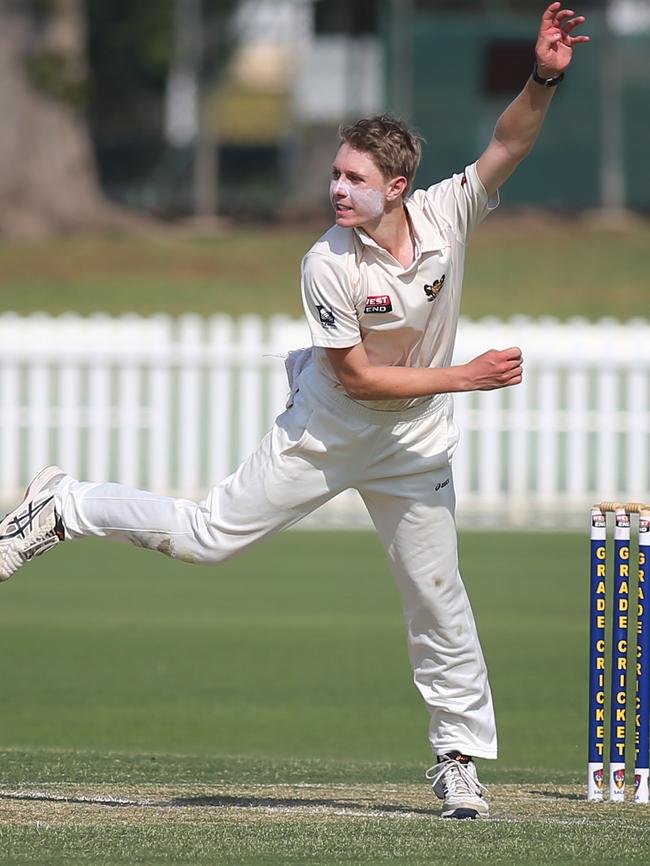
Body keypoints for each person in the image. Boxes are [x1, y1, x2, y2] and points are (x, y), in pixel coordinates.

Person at [0, 4, 588, 820]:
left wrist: (546, 75)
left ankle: (457, 761)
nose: (336, 189)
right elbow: (356, 380)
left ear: (397, 186)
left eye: (353, 178)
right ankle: (65, 505)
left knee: (438, 596)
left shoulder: (449, 214)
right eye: (335, 175)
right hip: (327, 429)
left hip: (412, 446)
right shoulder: (326, 263)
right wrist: (467, 376)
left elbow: (511, 142)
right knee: (207, 540)